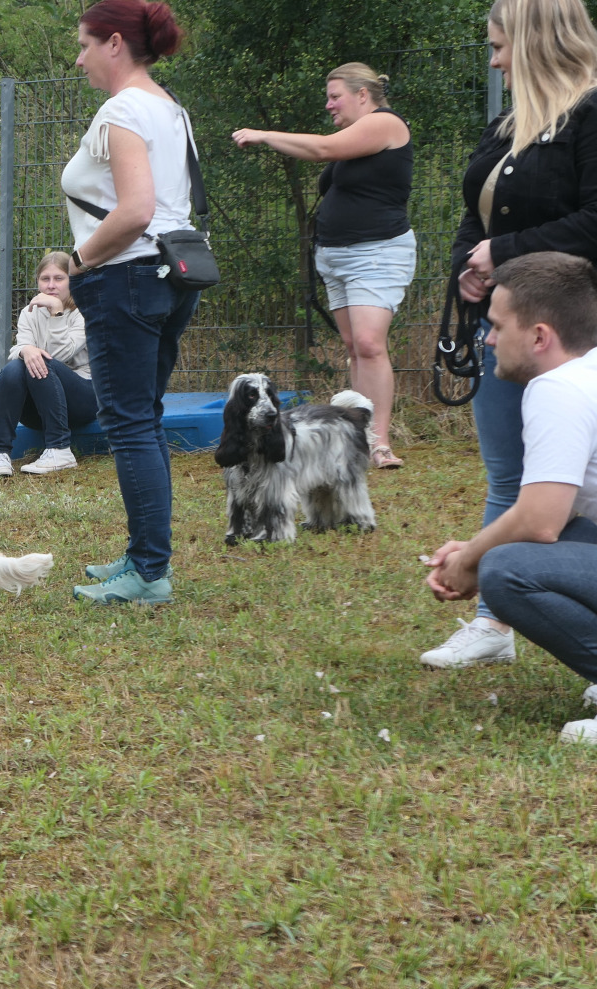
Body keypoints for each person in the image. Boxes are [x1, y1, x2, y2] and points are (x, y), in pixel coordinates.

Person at [424, 0, 597, 669]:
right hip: (510, 320)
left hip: (574, 323)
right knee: (508, 471)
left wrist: (505, 254)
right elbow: (475, 216)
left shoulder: (590, 114)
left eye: (500, 47)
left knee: (555, 490)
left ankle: (507, 589)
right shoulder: (509, 125)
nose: (494, 61)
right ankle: (492, 624)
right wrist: (470, 272)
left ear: (536, 42)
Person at [59, 0, 200, 605]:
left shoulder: (121, 110)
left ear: (114, 43)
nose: (79, 58)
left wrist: (78, 262)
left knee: (129, 423)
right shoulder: (171, 108)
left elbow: (136, 209)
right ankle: (145, 553)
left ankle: (148, 571)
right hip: (172, 275)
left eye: (84, 45)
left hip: (125, 278)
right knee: (145, 417)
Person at [426, 252, 597, 744]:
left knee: (505, 569)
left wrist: (471, 561)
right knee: (546, 541)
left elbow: (539, 520)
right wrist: (473, 549)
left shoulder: (559, 388)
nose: (487, 339)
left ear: (540, 336)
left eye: (498, 326)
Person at [232, 63, 414, 469]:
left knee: (369, 344)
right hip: (336, 255)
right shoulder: (356, 138)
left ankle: (379, 442)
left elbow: (321, 149)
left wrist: (264, 135)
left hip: (377, 252)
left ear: (363, 94)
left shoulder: (385, 123)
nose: (329, 104)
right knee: (354, 348)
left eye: (335, 96)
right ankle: (358, 439)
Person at [0, 252, 97, 478]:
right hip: (40, 409)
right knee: (14, 368)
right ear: (38, 282)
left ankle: (59, 448)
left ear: (72, 280)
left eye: (59, 278)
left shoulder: (85, 311)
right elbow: (20, 350)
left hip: (83, 401)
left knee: (40, 361)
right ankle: (0, 453)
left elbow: (59, 356)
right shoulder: (29, 313)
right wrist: (25, 350)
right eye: (45, 279)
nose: (51, 285)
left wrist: (57, 311)